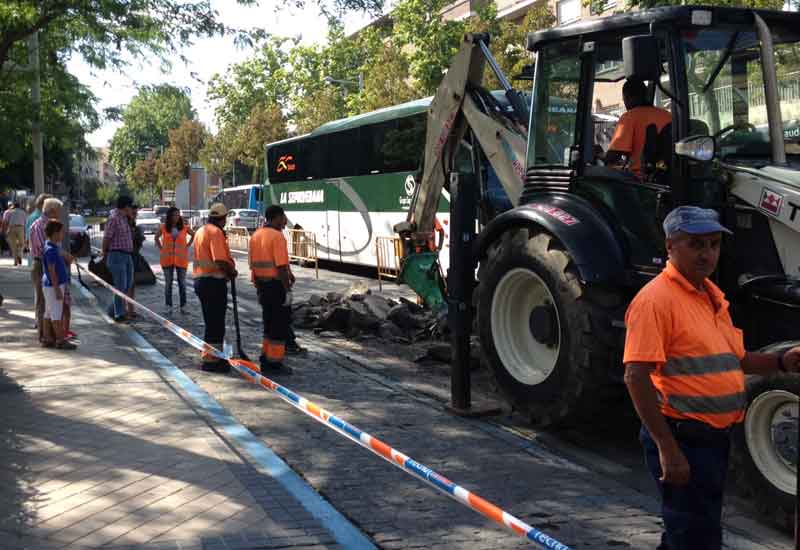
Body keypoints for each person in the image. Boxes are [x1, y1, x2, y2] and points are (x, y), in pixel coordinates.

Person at [623, 205, 800, 550]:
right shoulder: (656, 301)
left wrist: (780, 361)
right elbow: (635, 376)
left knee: (690, 532)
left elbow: (737, 361)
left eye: (713, 245)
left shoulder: (711, 296)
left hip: (712, 438)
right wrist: (667, 449)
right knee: (695, 536)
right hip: (682, 437)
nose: (707, 254)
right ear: (671, 246)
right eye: (696, 245)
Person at [193, 203, 237, 372]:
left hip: (202, 281)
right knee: (216, 323)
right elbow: (219, 259)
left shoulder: (201, 231)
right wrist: (231, 271)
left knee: (210, 322)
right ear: (223, 218)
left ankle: (212, 356)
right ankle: (211, 360)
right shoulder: (215, 232)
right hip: (213, 282)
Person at [249, 205, 293, 373]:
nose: (285, 221)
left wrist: (258, 285)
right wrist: (287, 290)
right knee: (279, 325)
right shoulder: (277, 236)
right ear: (277, 217)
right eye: (283, 217)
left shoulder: (256, 235)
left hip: (262, 286)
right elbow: (281, 267)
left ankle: (265, 357)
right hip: (276, 287)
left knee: (268, 323)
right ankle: (274, 363)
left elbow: (253, 265)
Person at [605, 78, 672, 175]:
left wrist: (601, 157)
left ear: (628, 98)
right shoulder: (667, 115)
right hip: (666, 175)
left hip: (641, 180)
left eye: (624, 99)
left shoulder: (629, 117)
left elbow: (612, 157)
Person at [30, 198, 69, 342]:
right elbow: (46, 251)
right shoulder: (42, 226)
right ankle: (49, 337)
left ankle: (49, 336)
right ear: (52, 210)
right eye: (58, 211)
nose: (60, 214)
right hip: (42, 266)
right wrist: (63, 255)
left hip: (45, 266)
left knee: (48, 307)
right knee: (44, 304)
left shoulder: (50, 226)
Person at [40, 220, 76, 350]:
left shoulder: (52, 246)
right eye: (61, 232)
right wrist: (57, 289)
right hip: (53, 285)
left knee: (48, 313)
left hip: (50, 284)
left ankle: (47, 338)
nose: (63, 234)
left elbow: (65, 256)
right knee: (56, 314)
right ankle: (61, 340)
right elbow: (51, 271)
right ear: (55, 233)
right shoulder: (51, 250)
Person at [102, 196, 135, 322]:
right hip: (116, 255)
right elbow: (107, 238)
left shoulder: (124, 218)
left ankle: (113, 309)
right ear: (125, 206)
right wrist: (105, 254)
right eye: (130, 206)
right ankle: (119, 314)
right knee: (120, 285)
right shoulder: (114, 219)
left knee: (128, 283)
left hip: (127, 255)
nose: (132, 209)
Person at [156, 206, 194, 313]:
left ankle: (184, 305)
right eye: (174, 215)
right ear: (169, 216)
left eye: (177, 215)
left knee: (182, 283)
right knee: (168, 284)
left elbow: (193, 235)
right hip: (167, 259)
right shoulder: (163, 227)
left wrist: (188, 245)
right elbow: (156, 238)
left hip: (181, 260)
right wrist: (161, 249)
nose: (176, 217)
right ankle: (168, 305)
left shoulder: (184, 227)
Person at [126, 206, 145, 319]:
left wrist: (140, 237)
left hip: (134, 255)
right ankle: (123, 310)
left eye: (136, 213)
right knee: (125, 285)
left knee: (132, 285)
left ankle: (131, 310)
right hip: (127, 256)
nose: (135, 215)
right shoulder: (125, 224)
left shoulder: (133, 224)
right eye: (134, 213)